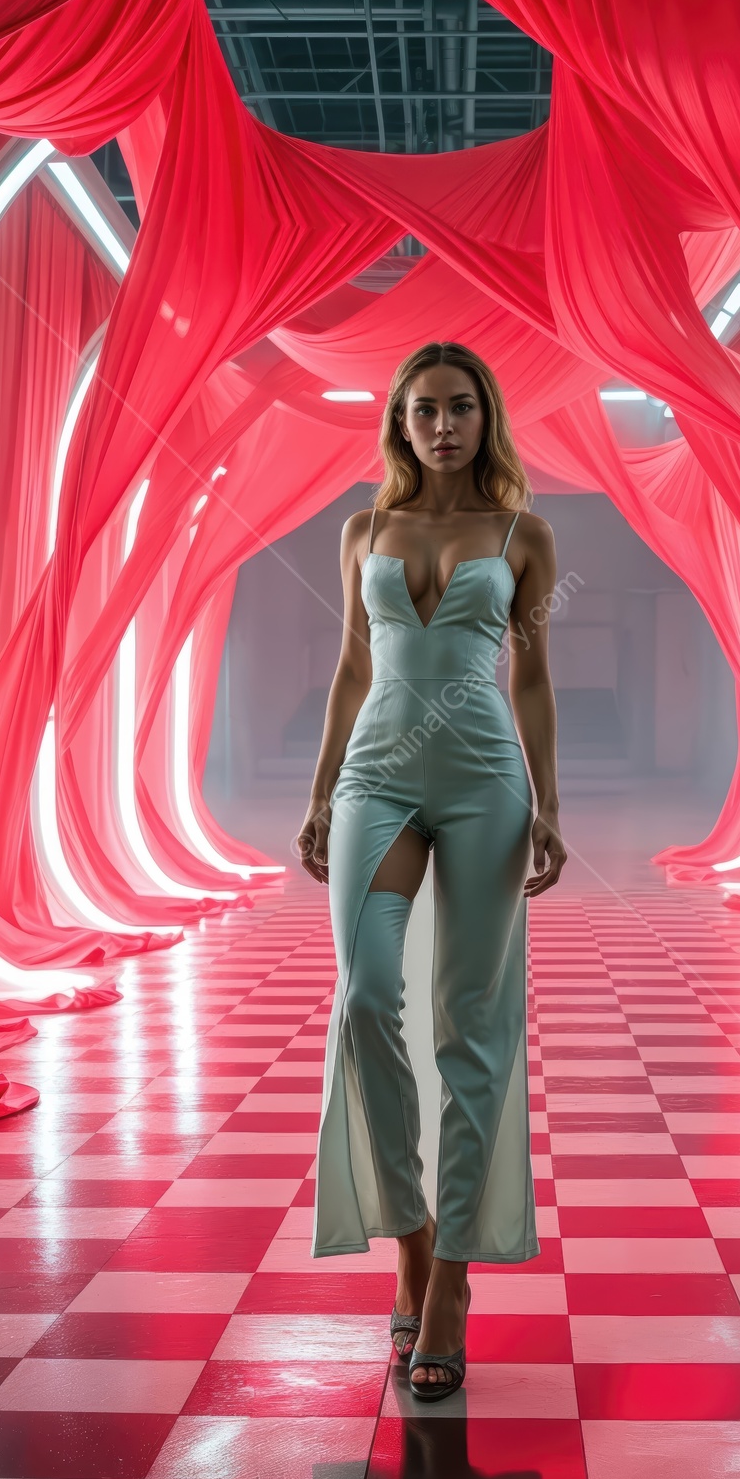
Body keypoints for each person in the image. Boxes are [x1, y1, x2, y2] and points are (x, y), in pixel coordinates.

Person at [297, 341, 567, 1403]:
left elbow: (534, 677)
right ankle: (410, 1239)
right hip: (376, 775)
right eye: (422, 410)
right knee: (366, 999)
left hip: (484, 780)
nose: (441, 424)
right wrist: (321, 793)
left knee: (472, 1023)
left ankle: (447, 1284)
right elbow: (353, 666)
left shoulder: (522, 535)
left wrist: (550, 803)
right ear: (400, 424)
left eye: (458, 407)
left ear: (484, 417)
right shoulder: (364, 530)